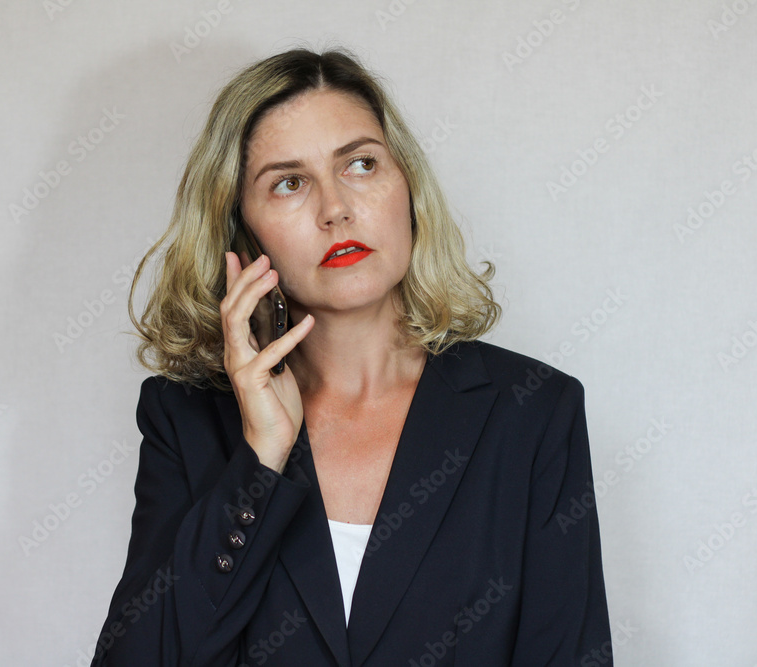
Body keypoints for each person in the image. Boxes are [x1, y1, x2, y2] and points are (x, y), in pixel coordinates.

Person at [91, 46, 612, 666]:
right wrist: (260, 458)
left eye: (361, 164)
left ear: (407, 188)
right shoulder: (185, 420)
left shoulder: (534, 412)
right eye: (288, 183)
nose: (335, 208)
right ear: (241, 232)